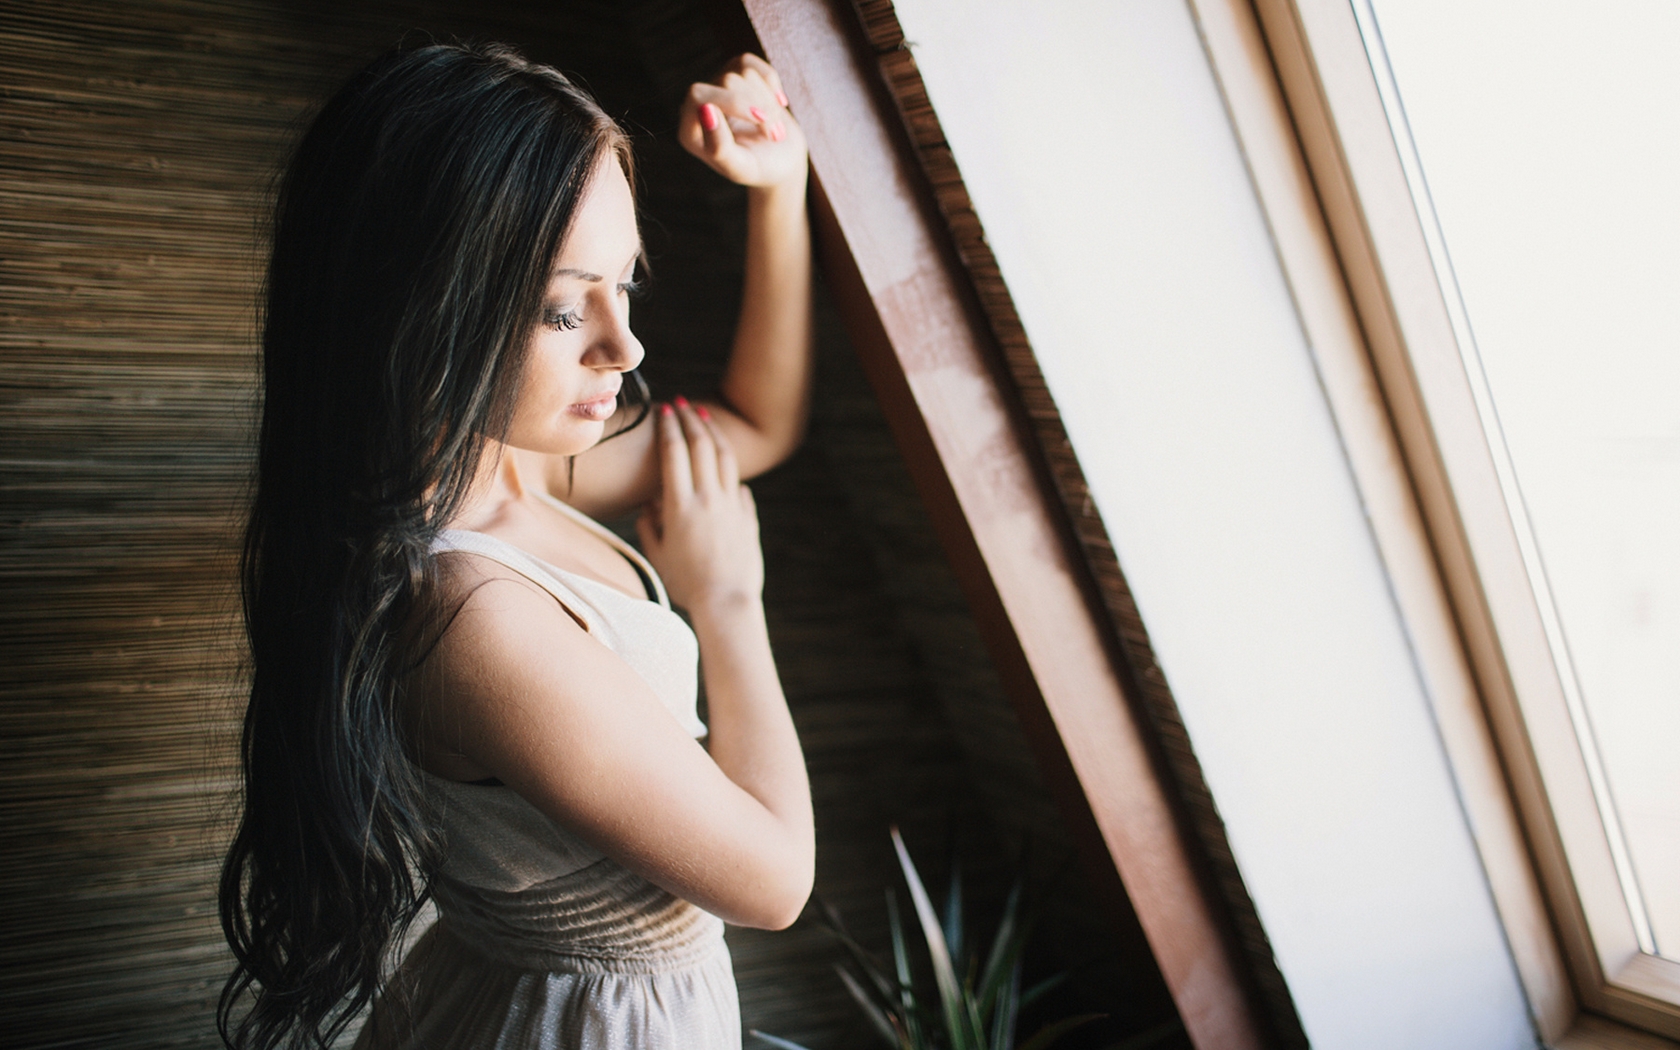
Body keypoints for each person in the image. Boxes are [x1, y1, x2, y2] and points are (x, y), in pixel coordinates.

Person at [218, 41, 815, 1050]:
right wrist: (727, 604)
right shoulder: (470, 618)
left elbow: (755, 425)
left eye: (626, 283)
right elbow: (774, 882)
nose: (624, 347)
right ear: (421, 304)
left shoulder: (512, 465)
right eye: (562, 308)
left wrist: (781, 190)